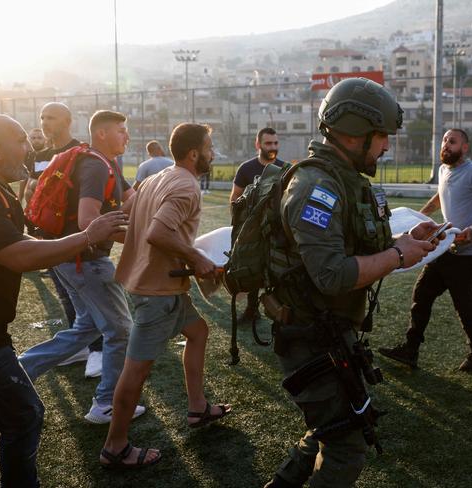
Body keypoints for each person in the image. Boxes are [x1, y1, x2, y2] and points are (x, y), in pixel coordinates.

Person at [263, 78, 437, 488]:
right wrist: (397, 257)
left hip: (331, 333)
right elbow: (332, 275)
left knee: (330, 428)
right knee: (345, 448)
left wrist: (403, 243)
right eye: (382, 138)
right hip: (309, 336)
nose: (386, 148)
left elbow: (351, 249)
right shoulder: (316, 188)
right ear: (357, 131)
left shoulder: (345, 179)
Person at [0, 114, 128, 488]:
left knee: (88, 327)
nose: (29, 147)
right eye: (19, 139)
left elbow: (23, 247)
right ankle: (106, 402)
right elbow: (19, 256)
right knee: (24, 414)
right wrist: (86, 236)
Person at [100, 123, 230, 468]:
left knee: (198, 332)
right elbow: (158, 232)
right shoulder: (186, 186)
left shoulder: (158, 178)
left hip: (157, 283)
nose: (212, 153)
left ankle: (198, 407)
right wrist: (197, 257)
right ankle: (116, 447)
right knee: (135, 372)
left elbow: (132, 222)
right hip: (155, 291)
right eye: (208, 147)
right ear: (193, 154)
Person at [19, 110, 146, 423]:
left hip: (70, 261)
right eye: (121, 131)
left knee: (86, 326)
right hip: (86, 261)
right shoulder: (95, 166)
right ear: (101, 134)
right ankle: (106, 404)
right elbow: (89, 223)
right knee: (120, 331)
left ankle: (19, 368)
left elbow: (133, 199)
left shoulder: (106, 163)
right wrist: (141, 242)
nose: (127, 137)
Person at [379, 129, 472, 372]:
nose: (446, 145)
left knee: (465, 305)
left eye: (452, 141)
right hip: (443, 248)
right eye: (445, 140)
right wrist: (418, 217)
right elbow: (440, 196)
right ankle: (410, 349)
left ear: (464, 147)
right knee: (421, 296)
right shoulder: (444, 169)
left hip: (469, 254)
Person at [30, 102, 106, 377]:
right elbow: (32, 191)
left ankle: (98, 350)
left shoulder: (81, 153)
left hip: (73, 238)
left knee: (89, 299)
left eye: (51, 117)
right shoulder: (39, 155)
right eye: (42, 116)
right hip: (47, 237)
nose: (44, 121)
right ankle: (84, 347)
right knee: (66, 296)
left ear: (67, 121)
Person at [230, 127, 285, 322]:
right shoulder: (247, 168)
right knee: (253, 267)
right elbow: (235, 198)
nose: (273, 147)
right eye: (268, 143)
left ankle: (280, 312)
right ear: (258, 144)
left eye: (275, 143)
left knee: (279, 270)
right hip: (252, 230)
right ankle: (252, 310)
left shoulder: (284, 168)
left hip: (276, 229)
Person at [18, 128, 46, 203]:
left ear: (45, 139)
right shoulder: (28, 156)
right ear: (29, 140)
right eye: (33, 138)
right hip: (31, 197)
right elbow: (24, 177)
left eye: (39, 138)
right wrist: (20, 198)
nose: (36, 140)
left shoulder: (50, 155)